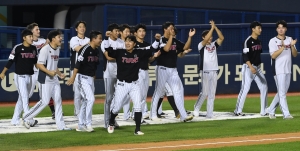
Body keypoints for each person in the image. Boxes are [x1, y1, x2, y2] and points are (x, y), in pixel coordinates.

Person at [104, 35, 161, 135]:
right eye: (126, 41)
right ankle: (111, 121)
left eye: (130, 41)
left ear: (134, 44)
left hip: (135, 84)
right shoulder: (120, 52)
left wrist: (157, 39)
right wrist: (106, 39)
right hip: (122, 84)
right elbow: (108, 49)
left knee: (138, 106)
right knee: (116, 107)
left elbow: (152, 48)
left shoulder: (138, 52)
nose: (128, 43)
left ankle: (137, 129)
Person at [22, 29, 71, 130]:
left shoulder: (57, 49)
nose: (61, 38)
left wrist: (59, 74)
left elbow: (54, 65)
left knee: (58, 100)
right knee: (44, 101)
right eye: (59, 37)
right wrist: (49, 72)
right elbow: (39, 65)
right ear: (53, 39)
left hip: (54, 79)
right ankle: (26, 116)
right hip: (45, 79)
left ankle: (61, 126)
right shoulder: (45, 50)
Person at [150, 21, 195, 122]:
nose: (173, 29)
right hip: (162, 68)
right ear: (165, 29)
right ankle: (153, 115)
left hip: (173, 70)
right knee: (159, 91)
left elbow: (185, 47)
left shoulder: (174, 40)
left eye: (173, 28)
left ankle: (183, 115)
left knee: (177, 92)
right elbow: (166, 49)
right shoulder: (161, 39)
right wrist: (171, 37)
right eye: (170, 28)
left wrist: (190, 37)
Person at [0, 29, 38, 127]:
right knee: (25, 98)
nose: (31, 38)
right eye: (29, 36)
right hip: (19, 76)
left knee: (22, 98)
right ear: (24, 38)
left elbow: (36, 63)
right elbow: (10, 61)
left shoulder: (34, 48)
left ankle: (15, 119)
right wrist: (3, 72)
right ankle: (28, 119)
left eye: (32, 36)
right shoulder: (17, 48)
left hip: (29, 76)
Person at [66, 30, 102, 132]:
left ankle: (81, 124)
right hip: (82, 78)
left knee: (86, 101)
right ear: (94, 39)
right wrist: (73, 77)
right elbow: (78, 64)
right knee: (90, 99)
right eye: (99, 38)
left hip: (90, 78)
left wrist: (94, 75)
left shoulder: (96, 51)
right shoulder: (85, 49)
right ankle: (88, 123)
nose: (101, 40)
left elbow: (94, 65)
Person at [233, 21, 268, 116]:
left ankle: (263, 110)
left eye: (260, 28)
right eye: (258, 28)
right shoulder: (247, 41)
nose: (260, 30)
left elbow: (258, 53)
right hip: (248, 67)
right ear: (253, 29)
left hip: (257, 68)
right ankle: (238, 111)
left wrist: (256, 67)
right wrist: (251, 66)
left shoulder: (259, 41)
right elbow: (245, 56)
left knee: (264, 86)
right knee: (245, 88)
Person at [193, 20, 224, 118]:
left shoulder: (214, 44)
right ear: (203, 37)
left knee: (212, 94)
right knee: (204, 92)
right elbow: (206, 40)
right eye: (208, 36)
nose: (210, 38)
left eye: (211, 36)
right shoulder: (201, 45)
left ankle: (209, 113)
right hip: (205, 70)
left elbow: (221, 38)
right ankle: (196, 108)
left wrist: (215, 28)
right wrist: (211, 28)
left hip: (214, 71)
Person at [267, 20, 298, 119]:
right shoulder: (273, 41)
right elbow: (273, 55)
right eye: (279, 27)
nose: (281, 29)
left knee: (282, 91)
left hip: (288, 69)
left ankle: (271, 110)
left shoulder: (289, 39)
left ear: (286, 29)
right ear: (276, 29)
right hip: (278, 69)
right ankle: (286, 114)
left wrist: (292, 45)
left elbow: (295, 54)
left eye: (283, 27)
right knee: (281, 92)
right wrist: (282, 47)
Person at [26, 23, 55, 119]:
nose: (39, 31)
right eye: (36, 29)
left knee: (47, 91)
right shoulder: (29, 42)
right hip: (31, 70)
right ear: (31, 32)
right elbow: (34, 54)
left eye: (38, 29)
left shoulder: (43, 40)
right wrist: (45, 45)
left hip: (42, 70)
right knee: (28, 93)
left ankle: (53, 112)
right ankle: (26, 113)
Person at [101, 23, 124, 129]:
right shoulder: (105, 42)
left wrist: (118, 56)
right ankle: (107, 122)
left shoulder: (121, 42)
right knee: (109, 98)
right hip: (109, 73)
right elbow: (108, 57)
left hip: (119, 72)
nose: (118, 32)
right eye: (116, 30)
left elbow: (123, 56)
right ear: (110, 32)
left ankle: (113, 120)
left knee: (119, 98)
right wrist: (118, 56)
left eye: (118, 30)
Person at [69, 21, 90, 118]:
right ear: (76, 29)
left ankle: (84, 111)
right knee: (77, 93)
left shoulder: (88, 39)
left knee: (86, 93)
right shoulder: (74, 39)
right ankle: (77, 112)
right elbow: (78, 49)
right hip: (75, 68)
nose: (82, 28)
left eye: (83, 27)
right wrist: (89, 44)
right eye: (80, 27)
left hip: (86, 68)